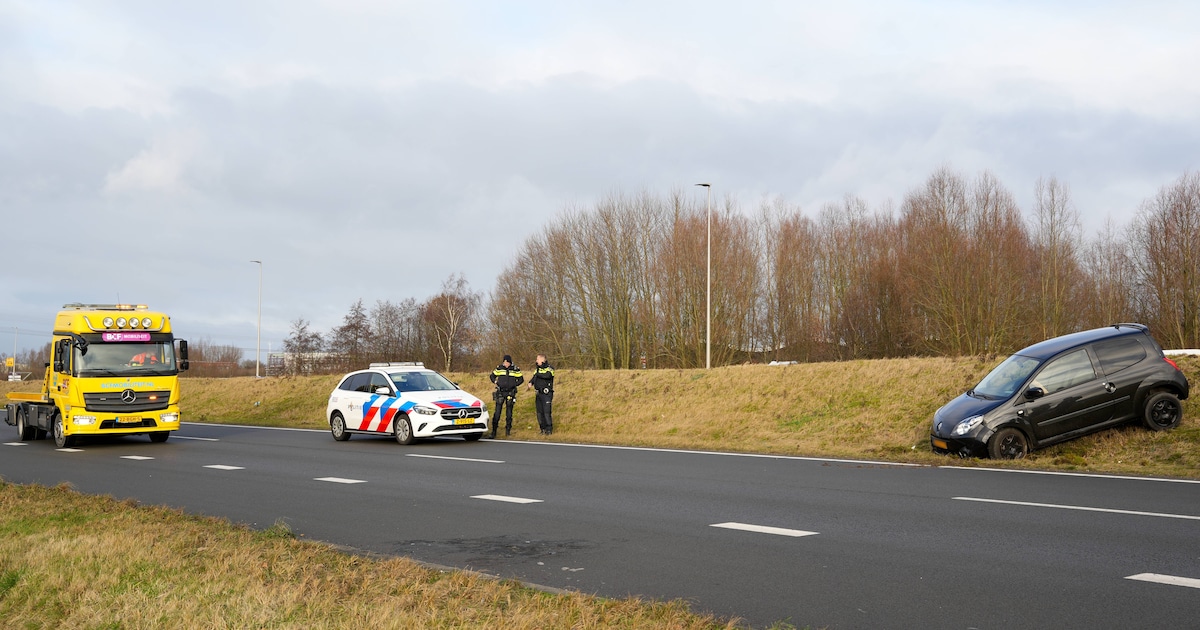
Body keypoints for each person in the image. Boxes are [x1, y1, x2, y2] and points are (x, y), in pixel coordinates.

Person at [488, 355, 523, 437]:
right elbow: (492, 376)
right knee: (497, 412)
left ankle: (508, 431)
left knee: (509, 413)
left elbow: (521, 379)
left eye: (507, 362)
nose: (505, 364)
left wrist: (514, 384)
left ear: (510, 362)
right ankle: (494, 431)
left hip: (510, 393)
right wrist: (495, 382)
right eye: (504, 362)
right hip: (500, 392)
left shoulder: (515, 369)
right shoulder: (499, 368)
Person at [528, 354, 555, 435]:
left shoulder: (550, 368)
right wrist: (530, 382)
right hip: (538, 393)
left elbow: (547, 376)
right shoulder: (537, 370)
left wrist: (537, 374)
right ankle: (542, 429)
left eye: (537, 359)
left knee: (546, 412)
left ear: (542, 360)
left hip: (546, 394)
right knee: (539, 413)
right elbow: (534, 378)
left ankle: (549, 430)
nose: (536, 361)